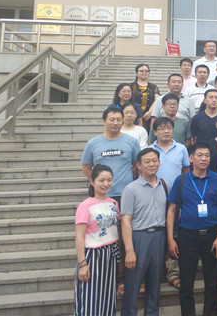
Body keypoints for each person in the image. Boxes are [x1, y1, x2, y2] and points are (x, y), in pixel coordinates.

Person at [166, 142, 217, 316]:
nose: (204, 159)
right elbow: (171, 210)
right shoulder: (181, 180)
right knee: (186, 284)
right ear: (191, 158)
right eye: (199, 155)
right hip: (187, 237)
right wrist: (170, 239)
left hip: (212, 236)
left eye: (207, 155)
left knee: (211, 283)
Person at [120, 148, 168, 316]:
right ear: (139, 166)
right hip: (139, 238)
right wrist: (129, 250)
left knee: (155, 285)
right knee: (132, 286)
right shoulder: (130, 189)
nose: (151, 164)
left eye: (154, 160)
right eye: (147, 161)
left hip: (159, 237)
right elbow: (126, 221)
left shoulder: (165, 185)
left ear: (159, 162)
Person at [74, 164, 120, 316]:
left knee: (108, 297)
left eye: (109, 180)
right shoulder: (85, 206)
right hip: (92, 256)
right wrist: (82, 264)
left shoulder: (113, 203)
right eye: (101, 180)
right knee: (90, 298)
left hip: (110, 255)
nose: (106, 184)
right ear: (92, 181)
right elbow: (79, 237)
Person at [150, 117, 190, 290]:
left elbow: (186, 171)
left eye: (169, 128)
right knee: (156, 233)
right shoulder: (149, 150)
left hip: (177, 198)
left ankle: (174, 273)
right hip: (154, 197)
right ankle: (155, 272)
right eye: (161, 128)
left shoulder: (181, 149)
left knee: (175, 234)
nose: (166, 131)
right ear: (155, 132)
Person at [81, 107, 141, 203]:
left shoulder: (132, 142)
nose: (115, 123)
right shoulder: (92, 143)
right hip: (101, 194)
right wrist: (98, 181)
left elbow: (137, 165)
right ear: (104, 121)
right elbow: (86, 167)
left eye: (119, 120)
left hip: (125, 193)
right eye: (112, 119)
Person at [130, 63, 160, 131]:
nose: (144, 72)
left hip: (149, 117)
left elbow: (158, 99)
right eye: (141, 71)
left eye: (146, 71)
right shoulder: (131, 86)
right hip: (133, 116)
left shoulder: (153, 86)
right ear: (136, 73)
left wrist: (149, 112)